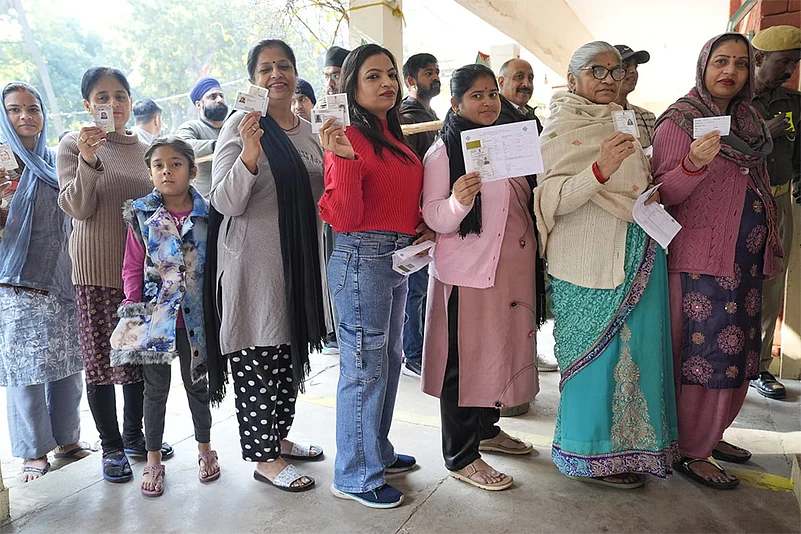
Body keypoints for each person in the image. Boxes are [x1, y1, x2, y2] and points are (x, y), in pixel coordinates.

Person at [534, 41, 679, 490]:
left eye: (615, 72)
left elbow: (639, 179)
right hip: (584, 261)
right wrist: (598, 169)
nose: (608, 80)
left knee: (636, 356)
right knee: (592, 361)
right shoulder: (559, 129)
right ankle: (587, 452)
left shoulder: (628, 121)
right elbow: (549, 199)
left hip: (637, 248)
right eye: (596, 71)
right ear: (573, 77)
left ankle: (633, 450)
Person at [653, 32, 782, 490]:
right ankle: (691, 448)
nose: (729, 72)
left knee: (737, 355)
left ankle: (713, 433)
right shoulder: (680, 122)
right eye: (720, 62)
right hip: (700, 263)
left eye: (741, 64)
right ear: (703, 66)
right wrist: (690, 164)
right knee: (705, 357)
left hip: (743, 263)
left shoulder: (750, 124)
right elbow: (660, 196)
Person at [207, 39, 327, 493]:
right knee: (258, 352)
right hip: (252, 263)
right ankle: (265, 458)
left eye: (284, 66)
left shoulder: (308, 129)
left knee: (286, 350)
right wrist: (249, 154)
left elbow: (323, 196)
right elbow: (225, 200)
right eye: (265, 68)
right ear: (253, 78)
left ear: (296, 74)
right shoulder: (241, 124)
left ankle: (279, 437)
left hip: (297, 259)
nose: (276, 74)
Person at [319, 43, 431, 509]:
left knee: (382, 361)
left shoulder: (391, 133)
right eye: (372, 76)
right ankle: (354, 474)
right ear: (351, 84)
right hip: (362, 256)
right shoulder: (346, 136)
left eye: (390, 74)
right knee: (364, 369)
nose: (387, 83)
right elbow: (342, 216)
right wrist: (343, 159)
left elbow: (398, 194)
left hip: (397, 257)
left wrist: (418, 222)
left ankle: (375, 452)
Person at [421, 63, 541, 491]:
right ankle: (460, 456)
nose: (488, 102)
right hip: (468, 275)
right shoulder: (444, 152)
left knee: (498, 354)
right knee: (463, 366)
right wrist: (456, 202)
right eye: (477, 95)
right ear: (455, 103)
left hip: (509, 274)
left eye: (492, 93)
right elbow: (433, 215)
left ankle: (487, 431)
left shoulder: (509, 141)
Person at [57, 67, 174, 484]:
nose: (113, 104)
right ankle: (110, 447)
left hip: (138, 275)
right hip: (95, 270)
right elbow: (77, 207)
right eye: (102, 97)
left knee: (136, 361)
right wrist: (90, 159)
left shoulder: (144, 145)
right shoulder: (74, 144)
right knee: (102, 363)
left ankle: (135, 436)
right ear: (88, 104)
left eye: (120, 95)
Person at [109, 137, 220, 497]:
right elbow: (132, 265)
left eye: (175, 164)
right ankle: (154, 459)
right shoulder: (142, 214)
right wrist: (132, 307)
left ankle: (205, 450)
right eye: (158, 165)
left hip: (197, 319)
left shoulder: (208, 213)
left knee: (197, 386)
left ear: (192, 169)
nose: (167, 171)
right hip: (155, 317)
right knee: (154, 392)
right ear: (150, 172)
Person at [0, 82, 90, 482]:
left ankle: (68, 439)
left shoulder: (56, 159)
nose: (25, 117)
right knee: (26, 372)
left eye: (32, 108)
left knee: (68, 365)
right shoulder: (2, 163)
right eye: (15, 109)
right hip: (16, 284)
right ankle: (34, 451)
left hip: (63, 278)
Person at [751, 25, 801, 401]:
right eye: (784, 62)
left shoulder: (794, 103)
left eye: (795, 63)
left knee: (771, 284)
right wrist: (762, 135)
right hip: (739, 202)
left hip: (780, 198)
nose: (789, 71)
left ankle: (759, 368)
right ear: (759, 59)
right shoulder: (732, 101)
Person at [399, 52, 441, 379]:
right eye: (429, 73)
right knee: (414, 289)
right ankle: (412, 353)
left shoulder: (432, 114)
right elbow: (412, 172)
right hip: (416, 216)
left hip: (431, 213)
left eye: (437, 72)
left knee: (423, 288)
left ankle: (420, 349)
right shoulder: (408, 118)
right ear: (411, 81)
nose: (436, 78)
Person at [319, 45, 351, 357]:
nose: (331, 81)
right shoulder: (324, 113)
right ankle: (334, 332)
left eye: (337, 74)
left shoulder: (363, 113)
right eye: (327, 75)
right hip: (332, 208)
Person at [176, 77, 228, 198]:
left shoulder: (232, 127)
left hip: (237, 201)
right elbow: (183, 147)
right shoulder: (191, 127)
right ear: (199, 104)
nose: (220, 99)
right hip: (206, 204)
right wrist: (218, 145)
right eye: (213, 97)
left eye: (221, 96)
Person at [613, 45, 657, 148]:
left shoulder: (647, 117)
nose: (633, 70)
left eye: (636, 66)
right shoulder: (594, 115)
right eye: (625, 65)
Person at [498, 58, 538, 123]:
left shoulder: (529, 114)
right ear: (502, 82)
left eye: (530, 78)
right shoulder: (494, 115)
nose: (527, 84)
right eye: (519, 76)